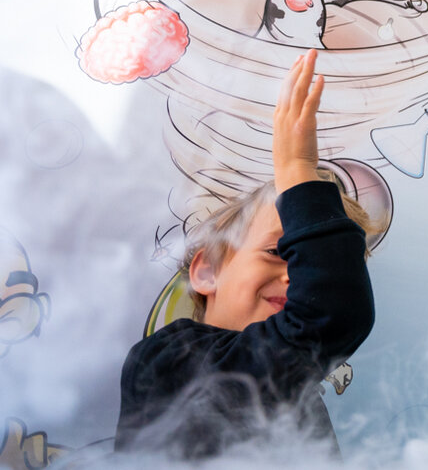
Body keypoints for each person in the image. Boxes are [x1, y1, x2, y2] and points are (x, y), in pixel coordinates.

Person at [115, 51, 378, 460]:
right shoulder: (172, 360)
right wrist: (296, 168)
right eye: (278, 251)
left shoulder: (296, 390)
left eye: (310, 263)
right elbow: (331, 313)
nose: (299, 278)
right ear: (208, 270)